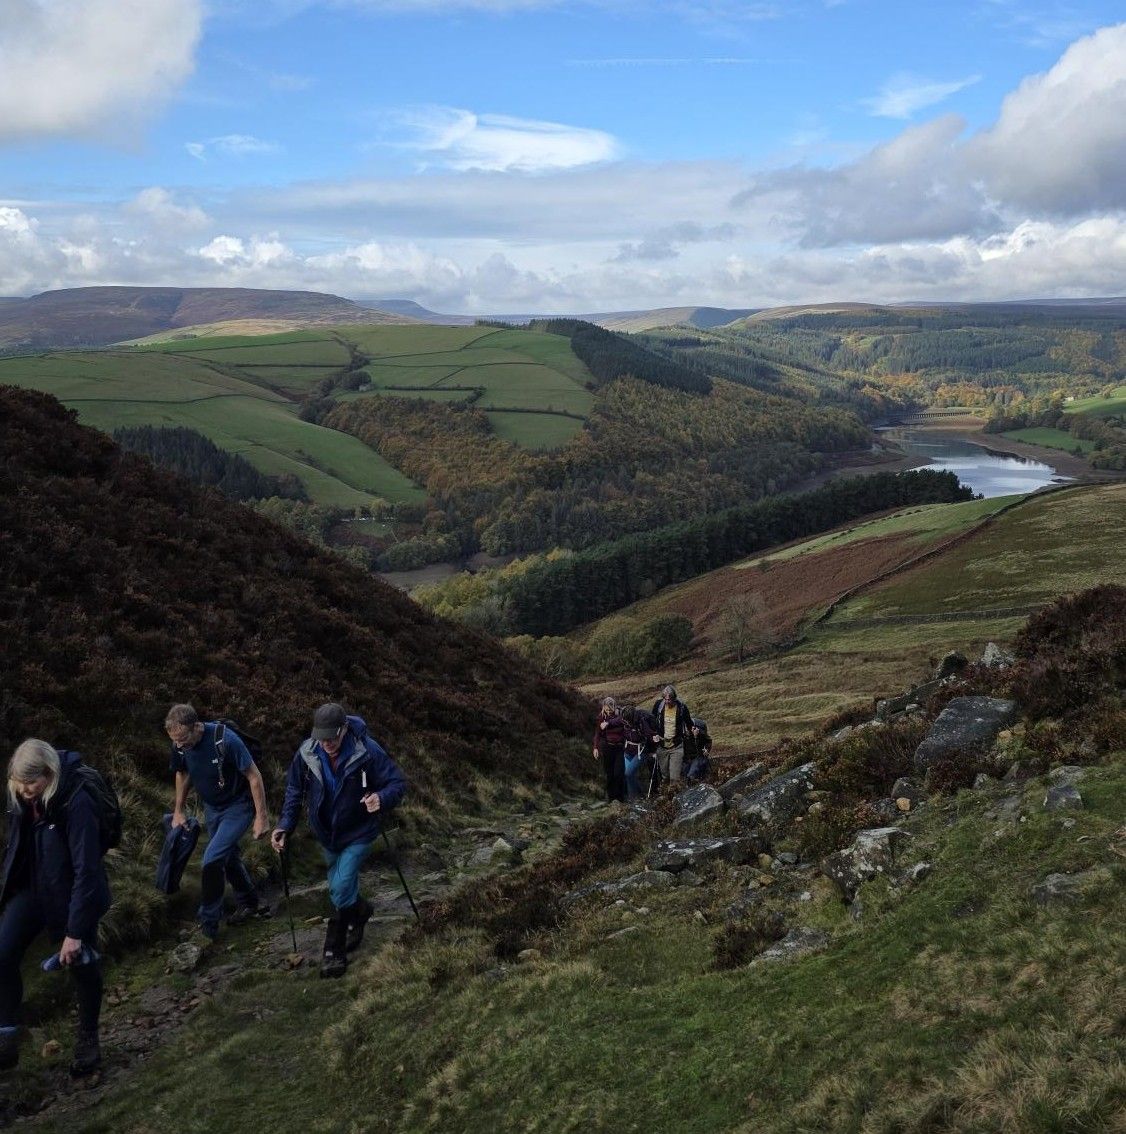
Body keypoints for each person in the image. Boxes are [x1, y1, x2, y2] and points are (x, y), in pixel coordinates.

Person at [0, 740, 111, 1077]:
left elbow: (87, 869)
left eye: (31, 783)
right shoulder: (22, 796)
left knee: (81, 963)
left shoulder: (77, 801)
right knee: (2, 954)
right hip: (32, 889)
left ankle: (88, 1038)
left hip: (74, 893)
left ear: (49, 775)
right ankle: (6, 1038)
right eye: (19, 784)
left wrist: (74, 932)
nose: (24, 790)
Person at [272, 703, 406, 978]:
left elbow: (396, 783)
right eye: (322, 737)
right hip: (326, 834)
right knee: (340, 889)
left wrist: (380, 798)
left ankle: (333, 952)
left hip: (359, 831)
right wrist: (285, 825)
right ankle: (362, 911)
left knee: (341, 886)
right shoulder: (307, 752)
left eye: (333, 736)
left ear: (344, 729)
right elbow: (294, 790)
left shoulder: (367, 750)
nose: (328, 743)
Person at [164, 704, 271, 940]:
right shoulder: (179, 744)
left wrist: (261, 817)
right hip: (212, 808)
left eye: (183, 739)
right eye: (175, 741)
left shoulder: (226, 740)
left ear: (196, 727)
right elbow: (182, 773)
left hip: (238, 806)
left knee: (211, 859)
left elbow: (254, 776)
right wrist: (178, 811)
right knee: (228, 856)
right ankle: (250, 901)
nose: (179, 745)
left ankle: (208, 922)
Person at [650, 685, 698, 790]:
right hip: (662, 746)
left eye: (669, 699)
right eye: (665, 699)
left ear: (674, 698)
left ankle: (674, 799)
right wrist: (654, 735)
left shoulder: (681, 707)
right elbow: (652, 721)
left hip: (677, 745)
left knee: (674, 777)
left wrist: (693, 730)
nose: (667, 701)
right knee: (665, 775)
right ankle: (665, 796)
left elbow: (689, 723)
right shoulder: (659, 705)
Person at [592, 696, 627, 804]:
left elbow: (621, 720)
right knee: (609, 774)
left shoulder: (620, 715)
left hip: (619, 748)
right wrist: (595, 747)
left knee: (618, 773)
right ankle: (611, 798)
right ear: (603, 708)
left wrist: (608, 723)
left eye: (610, 710)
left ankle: (620, 798)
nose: (608, 712)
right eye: (606, 710)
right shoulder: (601, 717)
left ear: (614, 707)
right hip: (607, 747)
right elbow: (597, 733)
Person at [619, 705, 655, 801]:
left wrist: (654, 746)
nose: (624, 721)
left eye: (626, 720)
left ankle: (633, 799)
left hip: (640, 753)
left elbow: (649, 734)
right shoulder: (624, 723)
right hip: (627, 752)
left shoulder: (641, 723)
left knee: (628, 773)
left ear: (630, 719)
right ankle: (639, 795)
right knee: (628, 775)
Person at [685, 718, 713, 783]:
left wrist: (706, 750)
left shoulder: (700, 732)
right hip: (686, 758)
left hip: (698, 756)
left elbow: (707, 741)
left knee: (691, 775)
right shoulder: (683, 734)